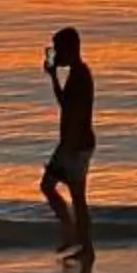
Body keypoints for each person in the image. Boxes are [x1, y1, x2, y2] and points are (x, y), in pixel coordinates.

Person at [39, 26, 97, 261]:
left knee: (76, 196)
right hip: (72, 144)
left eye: (58, 49)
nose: (56, 54)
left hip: (76, 145)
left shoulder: (81, 75)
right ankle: (75, 235)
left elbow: (75, 115)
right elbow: (66, 104)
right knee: (51, 186)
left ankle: (82, 244)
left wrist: (66, 150)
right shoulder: (76, 74)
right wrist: (53, 77)